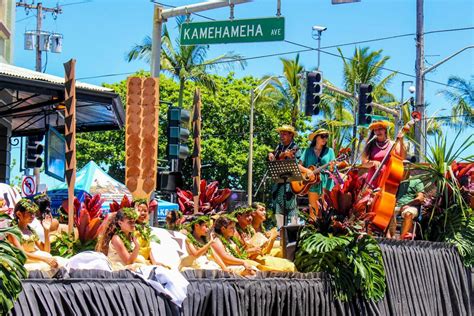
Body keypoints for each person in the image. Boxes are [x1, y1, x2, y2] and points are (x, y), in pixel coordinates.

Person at [7, 198, 66, 273]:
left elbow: (46, 251)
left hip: (35, 259)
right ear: (19, 214)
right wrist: (44, 259)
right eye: (29, 213)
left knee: (59, 261)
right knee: (46, 266)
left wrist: (46, 230)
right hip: (24, 261)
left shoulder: (31, 230)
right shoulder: (13, 232)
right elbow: (22, 254)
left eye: (33, 213)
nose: (33, 216)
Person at [268, 125, 301, 228]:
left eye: (284, 134)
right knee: (278, 208)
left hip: (289, 185)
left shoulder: (295, 148)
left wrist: (285, 156)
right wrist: (271, 154)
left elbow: (298, 163)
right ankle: (280, 231)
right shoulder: (279, 147)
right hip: (278, 183)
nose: (281, 136)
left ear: (291, 135)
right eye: (280, 134)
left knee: (291, 208)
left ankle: (293, 233)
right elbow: (275, 158)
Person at [299, 128, 336, 219]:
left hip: (326, 183)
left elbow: (333, 168)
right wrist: (308, 171)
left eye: (326, 136)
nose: (325, 138)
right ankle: (312, 232)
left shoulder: (330, 151)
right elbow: (299, 166)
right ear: (316, 138)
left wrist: (332, 167)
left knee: (326, 211)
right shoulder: (307, 151)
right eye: (322, 136)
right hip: (312, 183)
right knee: (313, 211)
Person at [361, 120, 406, 189]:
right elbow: (364, 163)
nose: (378, 132)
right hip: (372, 180)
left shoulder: (393, 144)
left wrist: (401, 141)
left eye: (380, 129)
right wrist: (373, 162)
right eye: (375, 130)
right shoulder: (370, 145)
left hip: (388, 181)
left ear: (385, 130)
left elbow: (402, 158)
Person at [387, 163, 425, 239]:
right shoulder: (396, 182)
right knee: (387, 211)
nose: (404, 168)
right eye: (402, 166)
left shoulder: (416, 181)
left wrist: (408, 204)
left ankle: (402, 238)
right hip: (397, 205)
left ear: (410, 170)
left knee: (408, 214)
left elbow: (420, 198)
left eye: (406, 167)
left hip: (411, 206)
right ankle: (390, 238)